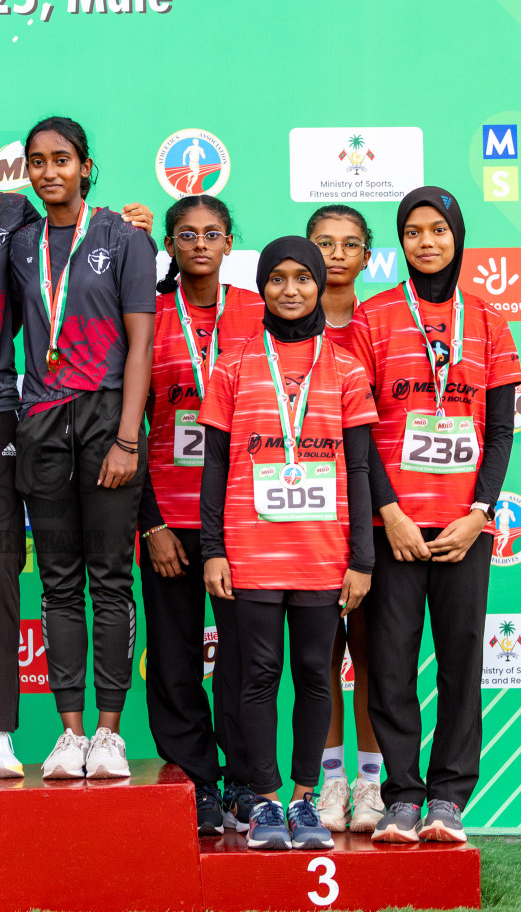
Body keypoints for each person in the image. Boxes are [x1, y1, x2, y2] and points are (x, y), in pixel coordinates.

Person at [0, 91, 156, 781]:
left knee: (3, 571)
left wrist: (139, 223)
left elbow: (117, 295)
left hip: (0, 413)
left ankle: (2, 733)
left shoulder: (10, 216)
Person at [352, 187, 521, 845]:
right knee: (390, 665)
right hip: (392, 526)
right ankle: (401, 797)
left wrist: (479, 513)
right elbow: (360, 428)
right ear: (401, 242)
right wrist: (388, 512)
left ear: (457, 238)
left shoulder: (486, 320)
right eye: (414, 232)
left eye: (438, 231)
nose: (426, 242)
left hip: (462, 528)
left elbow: (501, 430)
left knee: (461, 663)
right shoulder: (374, 317)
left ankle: (448, 799)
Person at [201, 236, 378, 852]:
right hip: (250, 550)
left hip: (323, 553)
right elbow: (215, 466)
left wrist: (362, 557)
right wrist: (213, 549)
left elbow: (358, 469)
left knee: (313, 674)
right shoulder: (232, 363)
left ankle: (306, 801)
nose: (291, 289)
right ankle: (264, 802)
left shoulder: (349, 368)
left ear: (318, 284)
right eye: (277, 278)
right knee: (257, 674)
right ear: (262, 286)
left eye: (303, 277)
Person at [8, 117, 156, 780]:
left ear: (86, 166)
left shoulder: (124, 237)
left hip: (106, 418)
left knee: (111, 580)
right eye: (37, 162)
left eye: (61, 159)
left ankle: (109, 731)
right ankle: (70, 733)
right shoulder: (18, 243)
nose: (48, 172)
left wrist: (128, 436)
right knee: (59, 582)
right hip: (42, 421)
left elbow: (142, 344)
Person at [137, 195, 262, 835]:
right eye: (187, 235)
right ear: (170, 245)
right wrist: (150, 522)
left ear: (230, 241)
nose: (201, 245)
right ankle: (196, 781)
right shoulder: (150, 316)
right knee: (173, 655)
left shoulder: (259, 312)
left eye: (213, 233)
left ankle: (244, 781)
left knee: (243, 658)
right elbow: (126, 425)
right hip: (166, 519)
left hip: (242, 522)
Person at [304, 205, 385, 834]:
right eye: (322, 243)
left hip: (375, 511)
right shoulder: (275, 319)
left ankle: (372, 784)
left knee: (375, 654)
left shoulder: (384, 323)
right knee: (319, 655)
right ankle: (329, 782)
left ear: (367, 255)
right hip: (303, 516)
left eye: (349, 244)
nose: (335, 254)